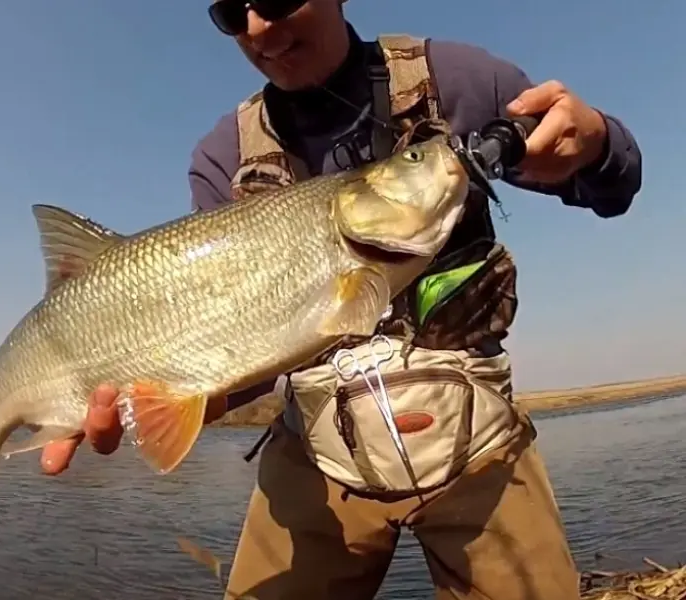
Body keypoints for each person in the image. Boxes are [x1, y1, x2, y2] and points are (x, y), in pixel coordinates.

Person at [40, 1, 642, 599]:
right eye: (231, 12)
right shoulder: (222, 155)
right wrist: (156, 398)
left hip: (477, 444)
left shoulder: (456, 79)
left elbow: (613, 185)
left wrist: (596, 142)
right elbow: (242, 356)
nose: (256, 28)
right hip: (317, 448)